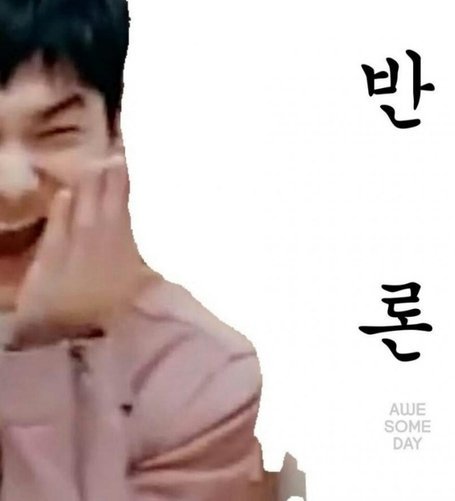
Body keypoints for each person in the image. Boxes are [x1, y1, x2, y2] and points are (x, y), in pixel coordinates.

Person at [0, 1, 264, 499]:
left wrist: (50, 353)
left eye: (56, 134)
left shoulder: (195, 374)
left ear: (115, 137)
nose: (12, 185)